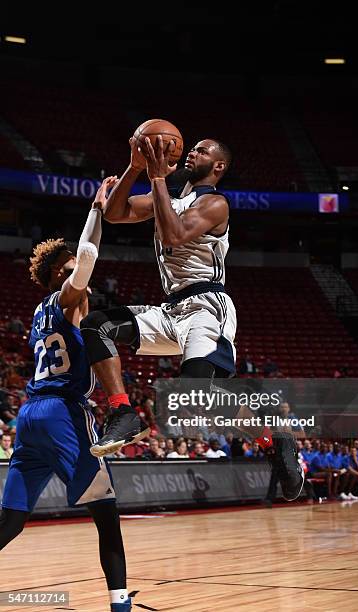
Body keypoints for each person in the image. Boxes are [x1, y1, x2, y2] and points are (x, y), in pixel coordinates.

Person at [80, 133, 303, 501]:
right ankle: (122, 413)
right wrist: (134, 168)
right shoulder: (170, 196)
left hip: (206, 306)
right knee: (95, 324)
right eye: (193, 146)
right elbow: (118, 213)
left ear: (218, 166)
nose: (192, 152)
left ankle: (273, 437)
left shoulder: (215, 203)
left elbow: (174, 234)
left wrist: (154, 177)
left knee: (191, 399)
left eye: (202, 150)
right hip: (172, 308)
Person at [0, 177, 135, 612]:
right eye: (66, 264)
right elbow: (90, 254)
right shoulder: (66, 298)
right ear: (59, 275)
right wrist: (97, 210)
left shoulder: (40, 312)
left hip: (29, 416)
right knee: (106, 512)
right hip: (61, 411)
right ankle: (119, 603)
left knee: (12, 519)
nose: (74, 265)